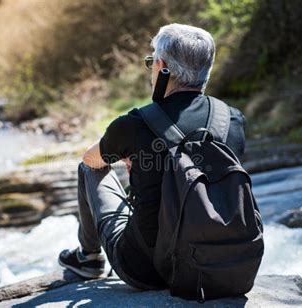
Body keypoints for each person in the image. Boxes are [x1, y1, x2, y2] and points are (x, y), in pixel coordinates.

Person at [58, 23, 246, 290]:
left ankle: (88, 259)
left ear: (162, 66)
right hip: (218, 266)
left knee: (88, 168)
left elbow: (92, 160)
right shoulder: (232, 119)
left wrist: (138, 163)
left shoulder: (137, 123)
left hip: (146, 270)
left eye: (151, 63)